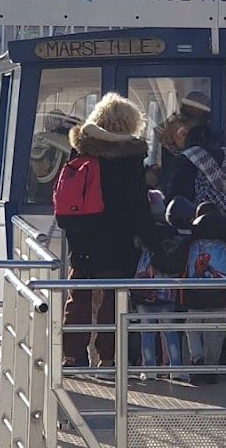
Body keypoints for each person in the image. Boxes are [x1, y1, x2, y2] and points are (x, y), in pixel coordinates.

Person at [59, 93, 158, 370]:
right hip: (117, 238)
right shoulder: (129, 157)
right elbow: (137, 205)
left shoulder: (81, 148)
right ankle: (108, 358)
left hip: (81, 234)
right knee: (112, 299)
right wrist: (154, 241)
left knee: (78, 295)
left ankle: (72, 356)